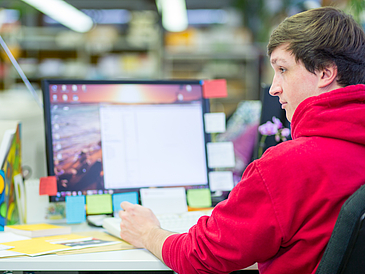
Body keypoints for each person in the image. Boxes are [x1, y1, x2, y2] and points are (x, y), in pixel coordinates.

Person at [118, 7, 365, 274]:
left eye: (283, 69)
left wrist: (148, 233)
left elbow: (200, 256)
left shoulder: (290, 164)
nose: (274, 88)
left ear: (325, 73)